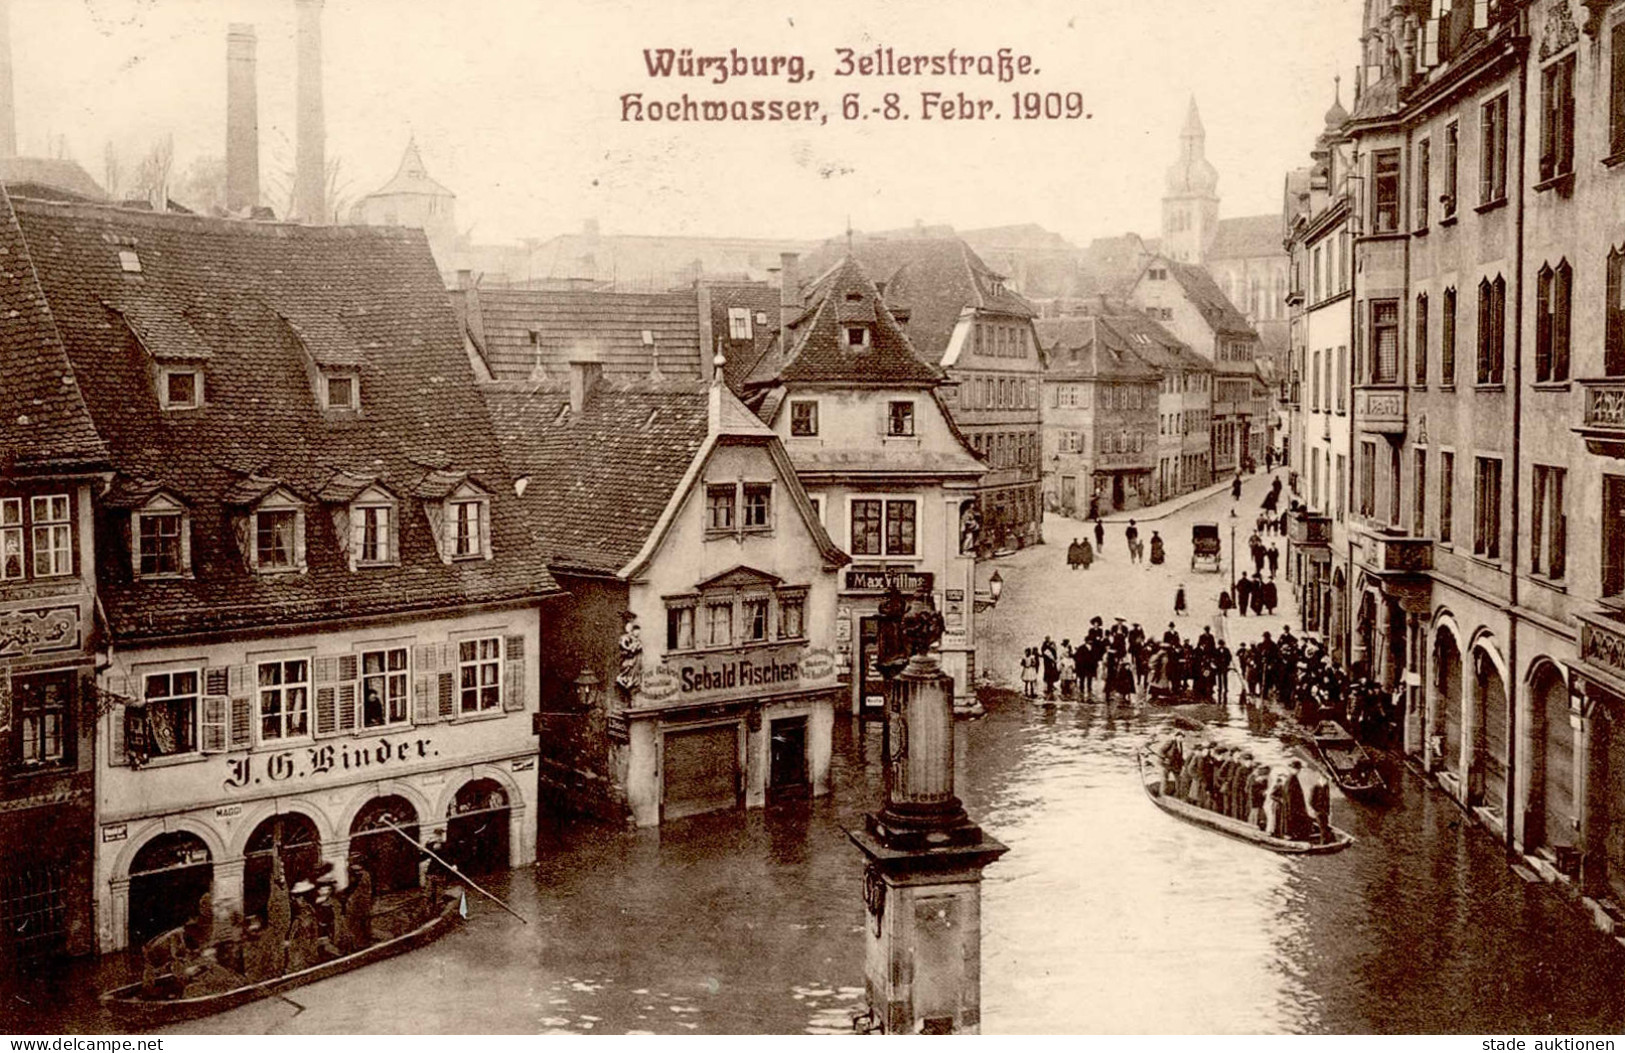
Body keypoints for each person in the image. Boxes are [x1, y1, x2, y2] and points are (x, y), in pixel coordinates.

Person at [1309, 772, 1334, 845]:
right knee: (1322, 828)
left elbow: (1327, 799)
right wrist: (1318, 810)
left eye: (1327, 780)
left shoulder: (1326, 787)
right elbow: (1311, 802)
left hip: (1325, 812)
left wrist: (1328, 811)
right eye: (1326, 780)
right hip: (1318, 812)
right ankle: (1323, 844)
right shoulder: (1315, 787)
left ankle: (1325, 842)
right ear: (1321, 779)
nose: (1326, 782)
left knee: (1325, 827)